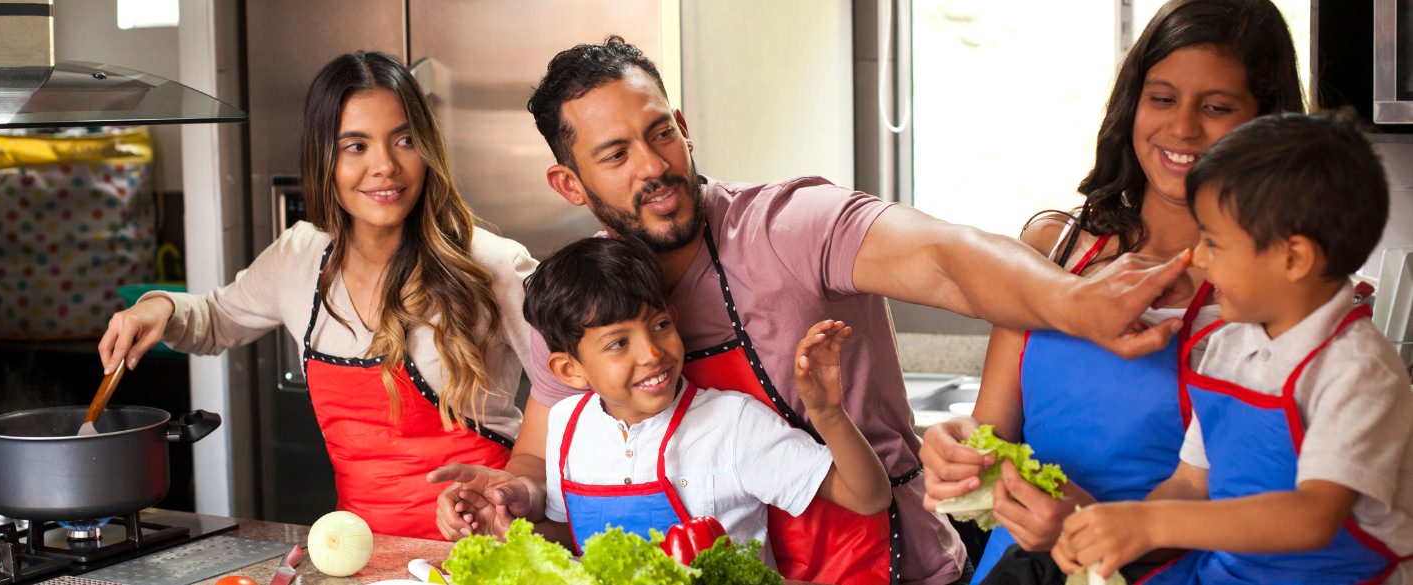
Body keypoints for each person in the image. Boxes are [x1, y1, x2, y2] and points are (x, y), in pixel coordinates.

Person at [428, 36, 1191, 585]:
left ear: (684, 127)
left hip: (886, 565)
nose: (655, 165)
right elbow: (552, 450)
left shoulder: (787, 225)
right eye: (616, 154)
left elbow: (944, 256)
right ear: (570, 184)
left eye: (661, 133)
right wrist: (512, 492)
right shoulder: (580, 299)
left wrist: (1068, 298)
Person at [917, 1, 1305, 581]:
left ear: (1265, 123)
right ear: (1134, 104)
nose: (1182, 128)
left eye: (1217, 107)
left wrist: (1091, 525)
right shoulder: (1054, 251)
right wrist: (957, 448)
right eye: (1163, 98)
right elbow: (993, 431)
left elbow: (1264, 511)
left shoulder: (1274, 300)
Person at [96, 51, 537, 539]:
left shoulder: (492, 265)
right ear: (324, 157)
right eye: (355, 146)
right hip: (360, 558)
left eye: (405, 140)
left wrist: (522, 485)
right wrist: (157, 306)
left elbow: (574, 392)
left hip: (490, 549)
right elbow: (215, 317)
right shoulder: (300, 257)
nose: (385, 166)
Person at [1053, 110, 1413, 584]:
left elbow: (1313, 516)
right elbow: (1190, 484)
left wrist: (1150, 523)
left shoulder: (1357, 370)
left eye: (1214, 243)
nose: (1197, 258)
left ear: (1293, 257)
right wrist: (1114, 533)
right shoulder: (1225, 348)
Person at [525, 237, 890, 564]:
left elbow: (868, 497)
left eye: (660, 325)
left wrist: (828, 414)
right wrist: (501, 527)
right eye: (619, 343)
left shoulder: (734, 423)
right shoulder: (566, 423)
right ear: (570, 370)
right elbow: (569, 535)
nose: (652, 352)